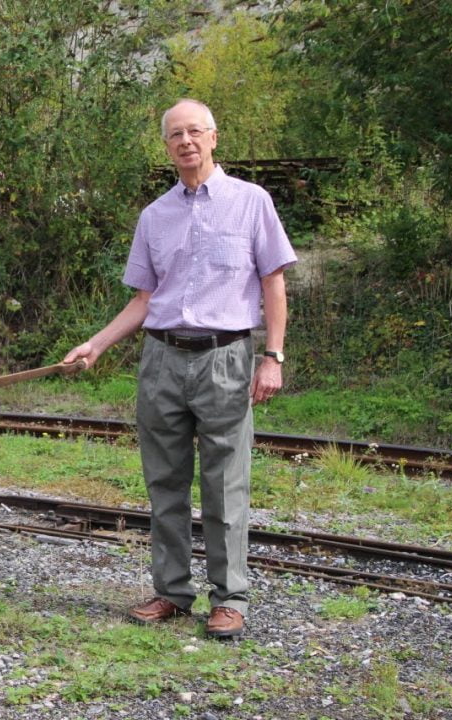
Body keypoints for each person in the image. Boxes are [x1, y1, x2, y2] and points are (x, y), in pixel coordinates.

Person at [63, 99, 296, 639]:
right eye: (175, 135)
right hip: (161, 360)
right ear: (166, 146)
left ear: (214, 138)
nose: (186, 141)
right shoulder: (155, 215)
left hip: (226, 359)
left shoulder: (252, 202)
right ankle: (171, 592)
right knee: (164, 483)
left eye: (195, 132)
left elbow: (273, 284)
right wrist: (95, 345)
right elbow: (144, 299)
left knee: (224, 484)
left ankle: (230, 598)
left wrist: (273, 356)